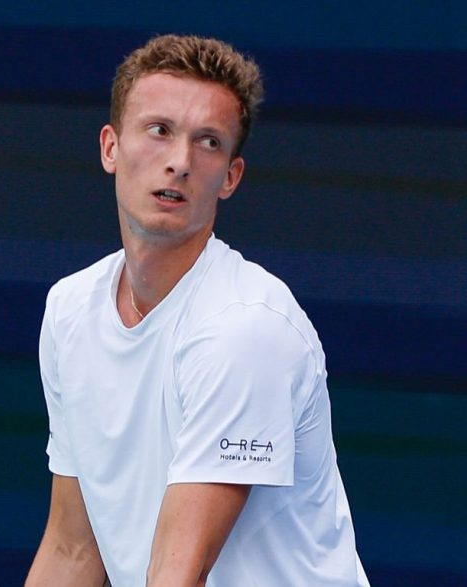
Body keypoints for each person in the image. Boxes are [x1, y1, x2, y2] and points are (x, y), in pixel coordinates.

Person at [25, 34, 370, 587]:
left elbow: (179, 569)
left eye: (208, 142)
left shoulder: (244, 328)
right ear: (111, 147)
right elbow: (73, 549)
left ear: (230, 176)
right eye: (159, 130)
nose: (180, 163)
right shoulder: (71, 310)